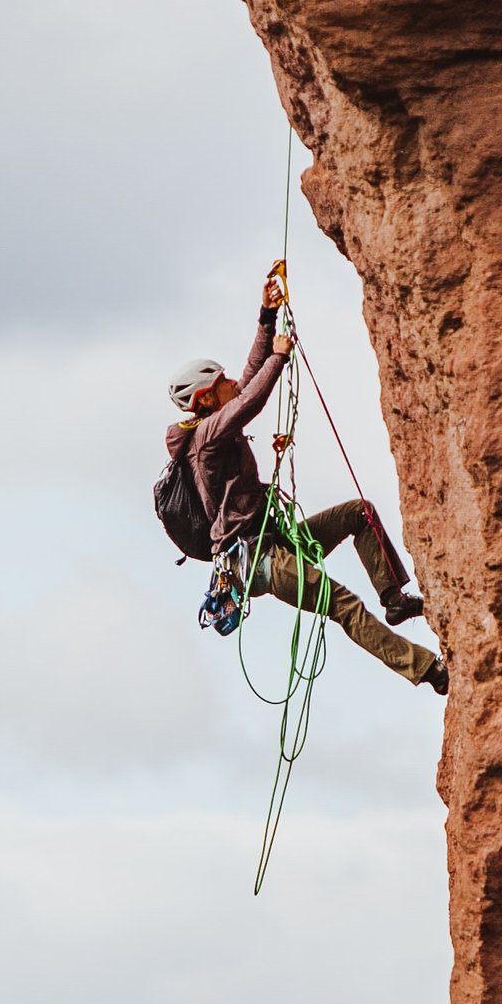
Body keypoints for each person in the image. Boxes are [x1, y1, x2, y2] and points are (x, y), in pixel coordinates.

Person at [163, 270, 448, 693]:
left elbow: (247, 380)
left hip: (274, 541)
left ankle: (394, 600)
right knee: (344, 606)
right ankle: (428, 671)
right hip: (259, 559)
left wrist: (267, 317)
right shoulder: (206, 438)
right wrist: (278, 357)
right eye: (221, 383)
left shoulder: (213, 423)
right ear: (205, 398)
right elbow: (251, 399)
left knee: (360, 514)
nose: (231, 384)